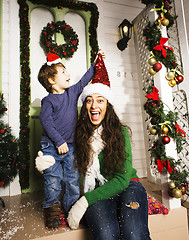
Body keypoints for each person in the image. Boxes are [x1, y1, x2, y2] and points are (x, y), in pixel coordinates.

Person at [67, 54, 151, 239]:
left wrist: (84, 201)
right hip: (98, 189)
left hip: (129, 185)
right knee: (106, 234)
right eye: (89, 100)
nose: (93, 105)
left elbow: (122, 178)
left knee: (134, 234)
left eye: (100, 100)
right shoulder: (80, 135)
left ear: (107, 105)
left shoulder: (120, 132)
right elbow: (63, 157)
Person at [35, 52, 105, 229]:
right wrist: (59, 141)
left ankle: (72, 208)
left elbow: (83, 81)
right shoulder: (48, 101)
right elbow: (46, 123)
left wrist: (95, 64)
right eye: (63, 72)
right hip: (52, 146)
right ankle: (51, 207)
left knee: (72, 179)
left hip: (71, 145)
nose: (68, 74)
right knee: (53, 179)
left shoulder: (71, 93)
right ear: (51, 80)